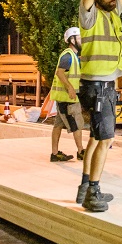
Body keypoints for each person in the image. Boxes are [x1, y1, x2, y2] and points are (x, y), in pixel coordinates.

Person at [75, 0, 122, 212]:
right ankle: (93, 193)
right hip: (97, 87)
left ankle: (85, 186)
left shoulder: (113, 13)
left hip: (103, 87)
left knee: (97, 138)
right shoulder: (90, 15)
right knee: (105, 139)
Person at [48, 26, 85, 162]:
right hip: (68, 98)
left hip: (64, 98)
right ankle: (81, 151)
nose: (82, 40)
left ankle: (55, 153)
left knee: (58, 125)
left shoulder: (74, 56)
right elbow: (60, 72)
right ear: (72, 40)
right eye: (79, 38)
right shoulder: (68, 56)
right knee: (76, 123)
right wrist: (69, 88)